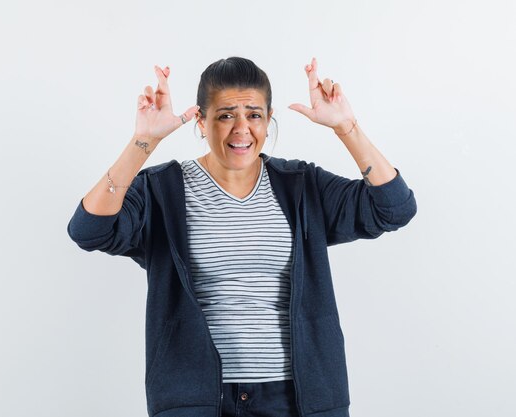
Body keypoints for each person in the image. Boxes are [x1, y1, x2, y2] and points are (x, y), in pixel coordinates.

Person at [67, 56, 417, 417]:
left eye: (254, 114)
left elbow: (394, 208)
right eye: (224, 115)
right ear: (201, 121)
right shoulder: (163, 190)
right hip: (194, 397)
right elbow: (89, 229)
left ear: (268, 119)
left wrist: (346, 127)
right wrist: (143, 142)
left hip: (299, 397)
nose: (241, 129)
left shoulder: (300, 185)